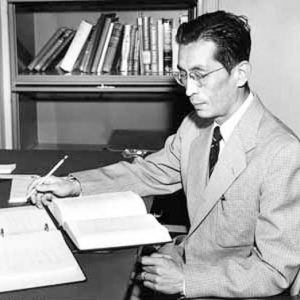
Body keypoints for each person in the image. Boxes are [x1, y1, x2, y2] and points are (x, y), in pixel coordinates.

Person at [28, 10, 300, 299]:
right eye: (183, 75)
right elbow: (149, 172)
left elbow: (274, 271)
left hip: (230, 288)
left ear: (240, 74)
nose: (189, 90)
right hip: (187, 260)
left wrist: (186, 281)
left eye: (199, 75)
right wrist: (75, 185)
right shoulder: (196, 126)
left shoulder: (282, 153)